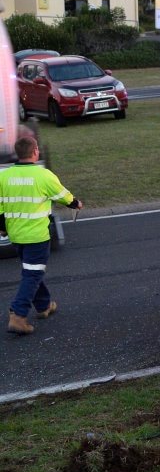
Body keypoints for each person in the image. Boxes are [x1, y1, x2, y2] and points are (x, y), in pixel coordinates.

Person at [1, 136, 83, 335]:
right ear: (35, 151)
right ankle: (18, 315)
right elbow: (64, 196)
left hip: (16, 235)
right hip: (36, 236)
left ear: (17, 153)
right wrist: (76, 204)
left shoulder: (3, 176)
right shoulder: (43, 175)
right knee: (32, 274)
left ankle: (44, 305)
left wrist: (2, 227)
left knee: (32, 271)